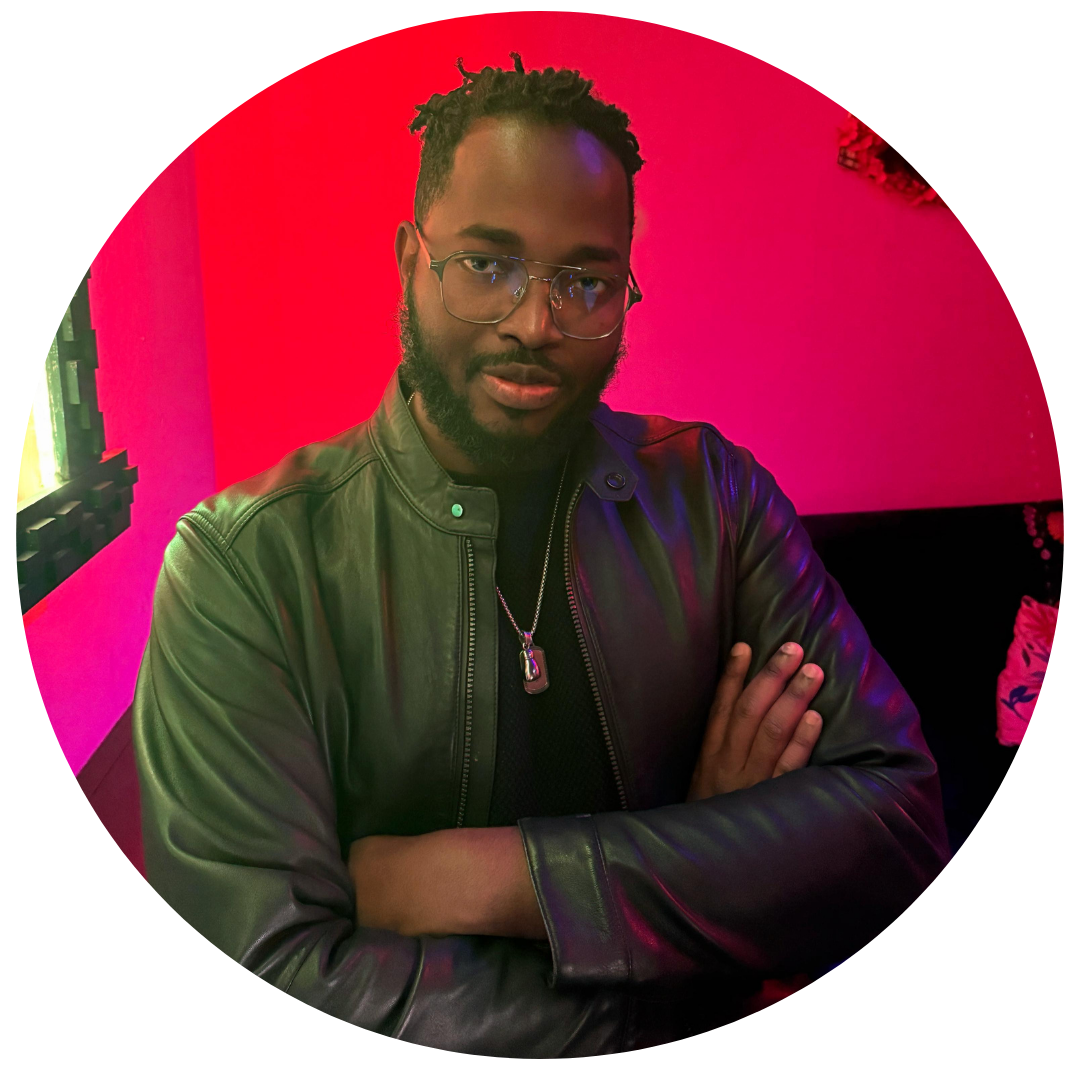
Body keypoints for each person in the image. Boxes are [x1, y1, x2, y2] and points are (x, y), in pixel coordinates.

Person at [133, 54, 952, 1056]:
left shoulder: (714, 496)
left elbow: (901, 827)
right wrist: (712, 934)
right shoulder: (240, 566)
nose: (535, 322)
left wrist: (489, 875)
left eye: (584, 281)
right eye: (488, 264)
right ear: (408, 263)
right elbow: (278, 969)